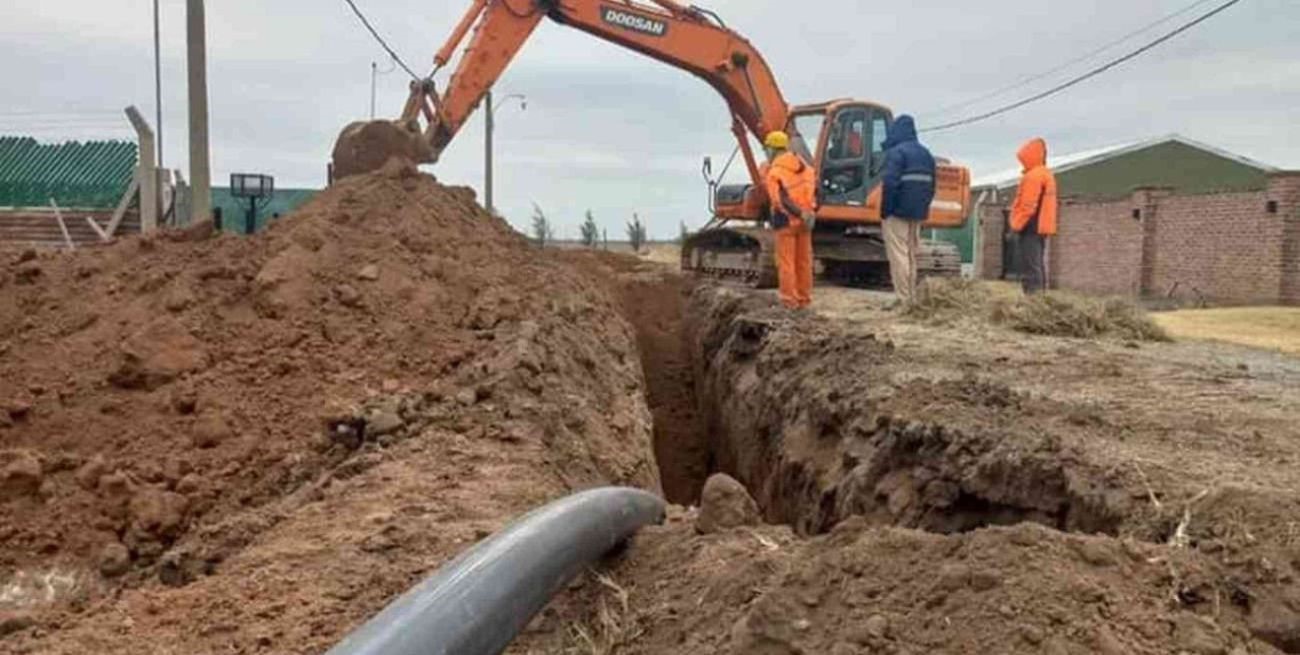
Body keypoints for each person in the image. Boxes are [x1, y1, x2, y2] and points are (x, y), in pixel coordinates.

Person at [879, 114, 936, 307]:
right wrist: (924, 208)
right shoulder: (926, 154)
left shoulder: (897, 153)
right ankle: (911, 295)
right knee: (912, 253)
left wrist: (886, 209)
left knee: (898, 253)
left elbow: (890, 183)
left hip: (898, 211)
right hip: (918, 211)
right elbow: (932, 186)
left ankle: (903, 298)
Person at [763, 130, 817, 309]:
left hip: (786, 221)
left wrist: (798, 213)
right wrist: (809, 212)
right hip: (805, 222)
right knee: (804, 262)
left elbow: (780, 199)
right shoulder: (807, 169)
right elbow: (817, 194)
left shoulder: (775, 172)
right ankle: (804, 299)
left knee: (786, 262)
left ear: (772, 149)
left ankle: (789, 301)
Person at [1009, 137, 1058, 294]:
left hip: (1030, 227)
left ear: (1029, 156)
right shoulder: (1045, 174)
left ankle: (1033, 299)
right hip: (1040, 227)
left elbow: (1028, 206)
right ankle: (1039, 299)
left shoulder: (1033, 177)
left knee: (1029, 266)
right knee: (1037, 265)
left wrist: (1016, 226)